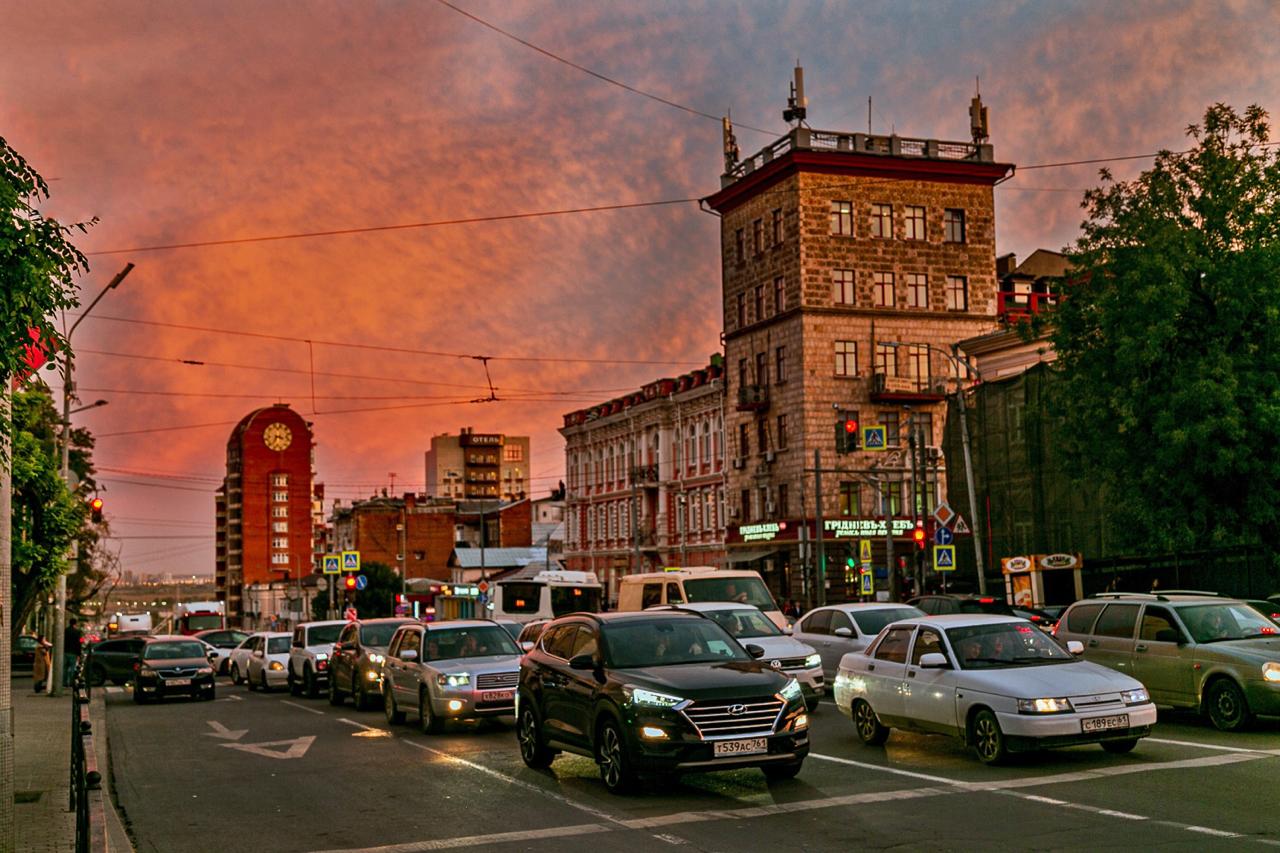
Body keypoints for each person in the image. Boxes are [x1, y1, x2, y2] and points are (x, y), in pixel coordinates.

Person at [63, 619, 83, 687]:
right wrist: (79, 654)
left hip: (65, 651)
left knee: (64, 668)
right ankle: (71, 683)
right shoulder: (77, 632)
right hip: (73, 652)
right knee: (72, 668)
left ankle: (64, 682)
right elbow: (79, 643)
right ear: (75, 624)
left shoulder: (65, 631)